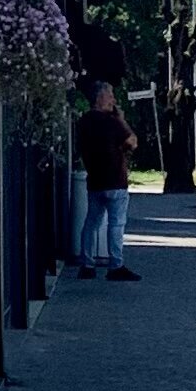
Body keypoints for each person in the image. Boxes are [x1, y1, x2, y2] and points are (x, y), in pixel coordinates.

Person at [74, 80, 139, 281]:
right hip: (115, 180)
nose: (113, 99)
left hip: (95, 179)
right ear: (100, 98)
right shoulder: (112, 122)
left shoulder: (84, 122)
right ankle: (115, 265)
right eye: (110, 95)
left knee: (91, 222)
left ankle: (87, 264)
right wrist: (121, 119)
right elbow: (132, 142)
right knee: (116, 223)